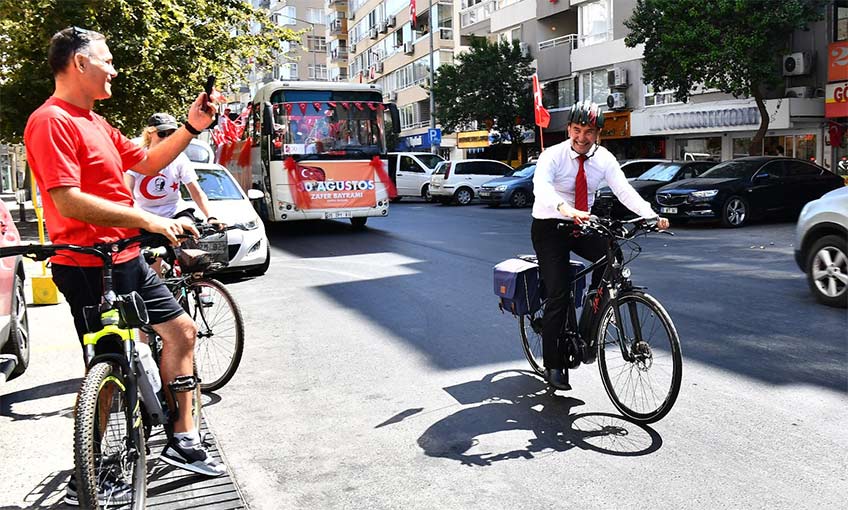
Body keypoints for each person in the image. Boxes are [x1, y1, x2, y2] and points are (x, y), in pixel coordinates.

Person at [23, 27, 225, 504]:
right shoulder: (51, 121)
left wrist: (193, 127)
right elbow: (68, 202)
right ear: (79, 64)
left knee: (181, 333)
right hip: (87, 263)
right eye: (107, 59)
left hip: (126, 256)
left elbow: (151, 162)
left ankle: (183, 438)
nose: (113, 68)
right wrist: (149, 221)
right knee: (108, 366)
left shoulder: (97, 122)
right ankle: (88, 471)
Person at [531, 100, 669, 391]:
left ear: (598, 134)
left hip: (582, 224)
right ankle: (554, 364)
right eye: (577, 130)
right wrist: (564, 208)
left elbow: (624, 190)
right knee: (559, 293)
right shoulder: (552, 156)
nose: (582, 138)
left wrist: (651, 215)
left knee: (612, 256)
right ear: (568, 129)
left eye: (589, 132)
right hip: (550, 226)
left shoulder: (604, 158)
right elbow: (541, 188)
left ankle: (591, 320)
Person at [124, 113, 221, 273]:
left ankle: (198, 288)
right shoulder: (139, 157)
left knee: (192, 245)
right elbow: (126, 193)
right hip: (149, 219)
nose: (167, 138)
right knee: (153, 269)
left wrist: (211, 216)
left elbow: (196, 192)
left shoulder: (179, 159)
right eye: (162, 134)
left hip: (175, 212)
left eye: (172, 134)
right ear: (150, 133)